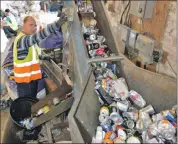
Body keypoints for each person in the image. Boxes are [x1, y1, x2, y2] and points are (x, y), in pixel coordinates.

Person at [13, 13, 67, 98]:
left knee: (32, 102)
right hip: (26, 82)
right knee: (28, 105)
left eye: (35, 25)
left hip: (31, 80)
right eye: (30, 25)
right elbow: (38, 36)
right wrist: (56, 25)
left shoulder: (27, 38)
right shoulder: (23, 40)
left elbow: (32, 56)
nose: (33, 28)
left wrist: (44, 57)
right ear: (23, 25)